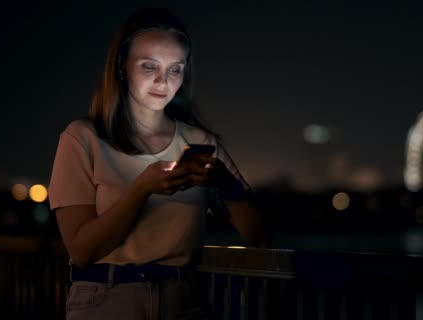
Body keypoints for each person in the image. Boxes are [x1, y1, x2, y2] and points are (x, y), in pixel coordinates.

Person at [48, 7, 270, 320]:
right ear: (122, 66)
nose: (163, 80)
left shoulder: (200, 142)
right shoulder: (83, 138)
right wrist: (142, 189)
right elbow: (82, 251)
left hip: (184, 302)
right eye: (149, 66)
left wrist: (225, 183)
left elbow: (259, 236)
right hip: (107, 301)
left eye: (175, 69)